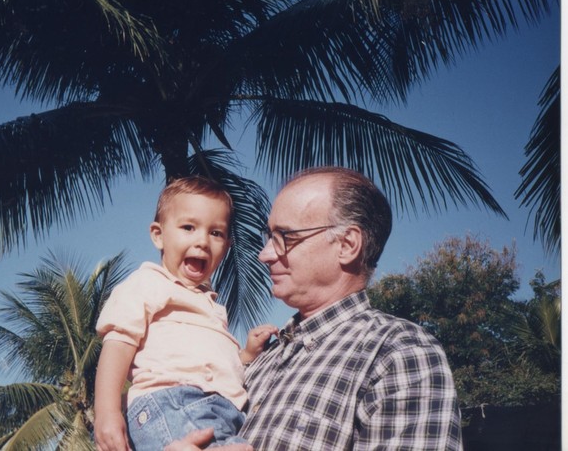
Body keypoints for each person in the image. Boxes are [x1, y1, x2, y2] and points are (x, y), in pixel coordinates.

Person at [166, 166, 463, 450]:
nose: (265, 254)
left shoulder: (398, 351)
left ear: (347, 244)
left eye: (285, 237)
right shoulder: (260, 360)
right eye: (269, 237)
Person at [94, 175, 278, 451]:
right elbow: (118, 344)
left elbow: (211, 364)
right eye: (189, 227)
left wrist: (246, 355)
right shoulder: (148, 283)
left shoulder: (211, 307)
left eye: (216, 233)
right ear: (159, 235)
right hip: (172, 402)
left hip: (220, 410)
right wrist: (107, 413)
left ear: (227, 246)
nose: (203, 241)